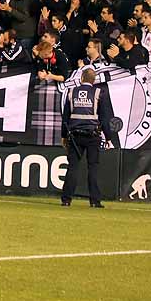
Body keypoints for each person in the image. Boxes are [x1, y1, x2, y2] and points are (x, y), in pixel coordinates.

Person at [60, 67, 116, 207]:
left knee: (72, 167)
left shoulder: (71, 92)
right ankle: (95, 201)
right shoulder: (98, 93)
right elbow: (104, 118)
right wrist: (108, 138)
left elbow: (65, 117)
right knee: (93, 168)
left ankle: (66, 200)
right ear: (94, 80)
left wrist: (63, 136)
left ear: (81, 78)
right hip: (92, 136)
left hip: (75, 136)